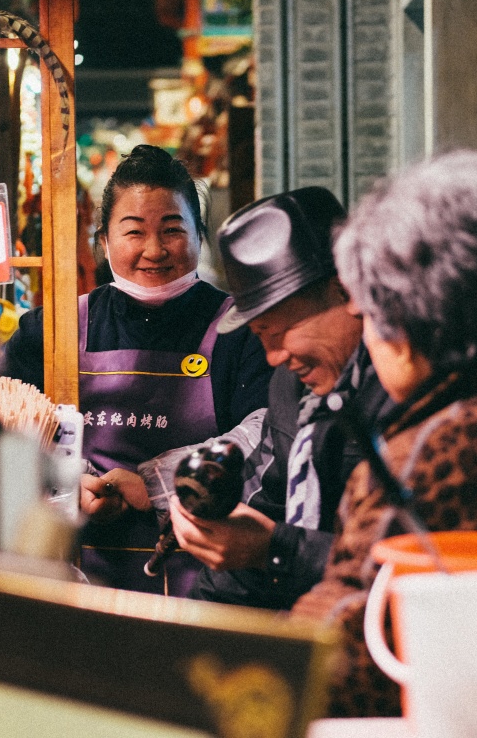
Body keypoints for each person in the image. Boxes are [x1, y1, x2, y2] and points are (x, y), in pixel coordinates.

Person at [291, 150, 477, 717]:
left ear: (407, 322)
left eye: (367, 314)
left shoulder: (444, 449)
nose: (365, 335)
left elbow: (350, 655)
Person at [2, 145, 272, 596]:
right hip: (73, 577)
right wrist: (71, 484)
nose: (154, 250)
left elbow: (268, 436)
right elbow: (5, 436)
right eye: (133, 232)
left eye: (172, 229)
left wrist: (160, 483)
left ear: (199, 237)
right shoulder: (49, 331)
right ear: (104, 242)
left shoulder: (241, 329)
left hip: (208, 583)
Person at [164, 187, 392, 610]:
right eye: (260, 337)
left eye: (279, 330)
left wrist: (274, 548)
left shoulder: (404, 391)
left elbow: (404, 560)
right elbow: (273, 503)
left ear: (347, 293)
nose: (274, 357)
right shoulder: (292, 388)